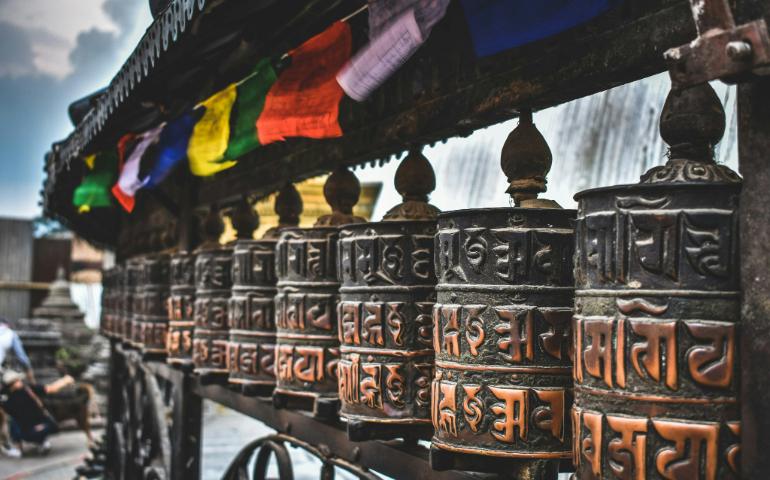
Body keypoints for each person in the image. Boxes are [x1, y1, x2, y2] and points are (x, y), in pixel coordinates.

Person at [0, 370, 74, 455]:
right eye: (18, 380)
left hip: (30, 429)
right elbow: (52, 388)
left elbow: (50, 388)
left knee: (15, 422)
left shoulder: (7, 396)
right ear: (12, 383)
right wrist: (66, 380)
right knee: (16, 422)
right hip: (32, 430)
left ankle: (25, 447)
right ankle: (34, 443)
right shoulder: (25, 390)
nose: (20, 381)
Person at [0, 319, 34, 458]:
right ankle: (7, 445)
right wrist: (31, 375)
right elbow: (22, 358)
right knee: (6, 412)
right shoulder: (10, 334)